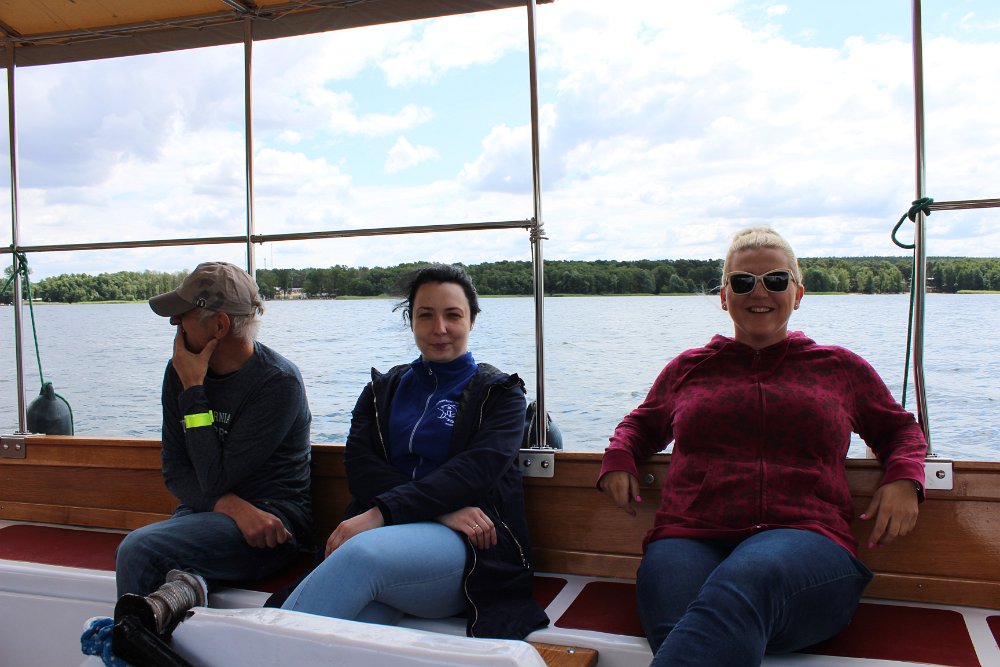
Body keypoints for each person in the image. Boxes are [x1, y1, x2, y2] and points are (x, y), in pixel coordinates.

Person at [598, 226, 927, 666]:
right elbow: (641, 424)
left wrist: (904, 478)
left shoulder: (839, 368)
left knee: (750, 577)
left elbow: (900, 431)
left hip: (806, 538)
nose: (759, 291)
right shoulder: (688, 369)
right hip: (689, 534)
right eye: (742, 281)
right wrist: (620, 456)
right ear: (723, 296)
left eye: (775, 279)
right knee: (681, 622)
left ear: (797, 293)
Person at [281, 264, 548, 640]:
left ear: (472, 320)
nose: (440, 328)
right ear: (411, 321)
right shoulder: (381, 392)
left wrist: (383, 512)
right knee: (355, 624)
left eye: (453, 315)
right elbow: (361, 469)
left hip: (473, 551)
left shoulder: (501, 395)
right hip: (400, 539)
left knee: (361, 555)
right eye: (426, 315)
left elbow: (473, 473)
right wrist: (439, 511)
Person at [116, 261, 312, 597]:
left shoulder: (277, 383)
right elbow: (175, 471)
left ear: (220, 325)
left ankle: (136, 632)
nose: (174, 322)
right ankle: (177, 604)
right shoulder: (179, 372)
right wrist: (231, 506)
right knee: (155, 563)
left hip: (269, 527)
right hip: (210, 512)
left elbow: (214, 479)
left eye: (183, 314)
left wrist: (194, 391)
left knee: (140, 550)